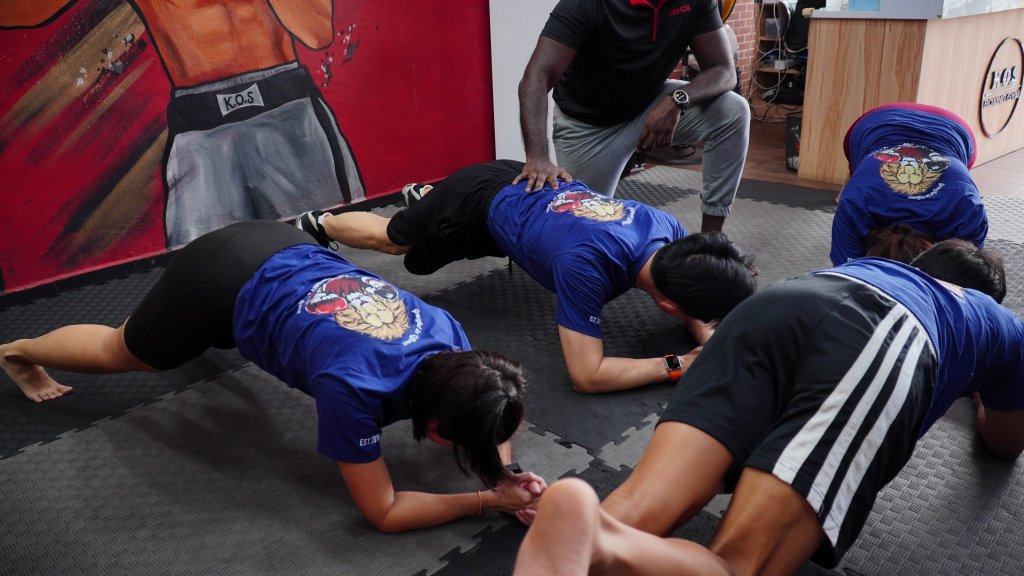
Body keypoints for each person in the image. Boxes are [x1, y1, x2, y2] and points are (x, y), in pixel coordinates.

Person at [513, 239, 1023, 576]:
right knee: (739, 563)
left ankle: (587, 529)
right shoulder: (1001, 327)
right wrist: (981, 391)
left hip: (781, 303)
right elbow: (1004, 443)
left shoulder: (873, 265)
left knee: (632, 513)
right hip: (884, 330)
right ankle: (598, 538)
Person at [0, 221, 545, 533]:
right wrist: (486, 502)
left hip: (281, 244)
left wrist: (507, 476)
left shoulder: (457, 348)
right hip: (216, 278)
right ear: (438, 428)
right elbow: (385, 510)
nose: (498, 443)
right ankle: (17, 350)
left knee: (173, 332)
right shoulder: (355, 392)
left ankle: (186, 324)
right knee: (126, 349)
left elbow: (488, 415)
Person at [295, 159, 757, 394]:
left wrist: (716, 336)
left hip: (522, 199)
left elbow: (695, 308)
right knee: (400, 245)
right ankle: (315, 223)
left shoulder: (671, 232)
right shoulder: (587, 269)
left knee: (428, 255)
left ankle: (430, 197)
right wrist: (678, 365)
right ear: (670, 305)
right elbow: (587, 374)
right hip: (480, 198)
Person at [1, 0, 365, 247]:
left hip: (290, 109)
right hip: (200, 132)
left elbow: (318, 33)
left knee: (330, 253)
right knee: (205, 271)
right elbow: (23, 10)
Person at [516, 0, 750, 233]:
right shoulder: (586, 4)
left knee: (733, 111)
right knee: (582, 234)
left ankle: (711, 242)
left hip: (648, 104)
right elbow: (537, 76)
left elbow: (724, 70)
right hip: (588, 128)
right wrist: (537, 156)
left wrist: (678, 99)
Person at [831, 103, 988, 266]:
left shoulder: (967, 209)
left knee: (856, 191)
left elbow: (844, 271)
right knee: (857, 188)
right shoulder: (967, 210)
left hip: (884, 124)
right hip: (886, 124)